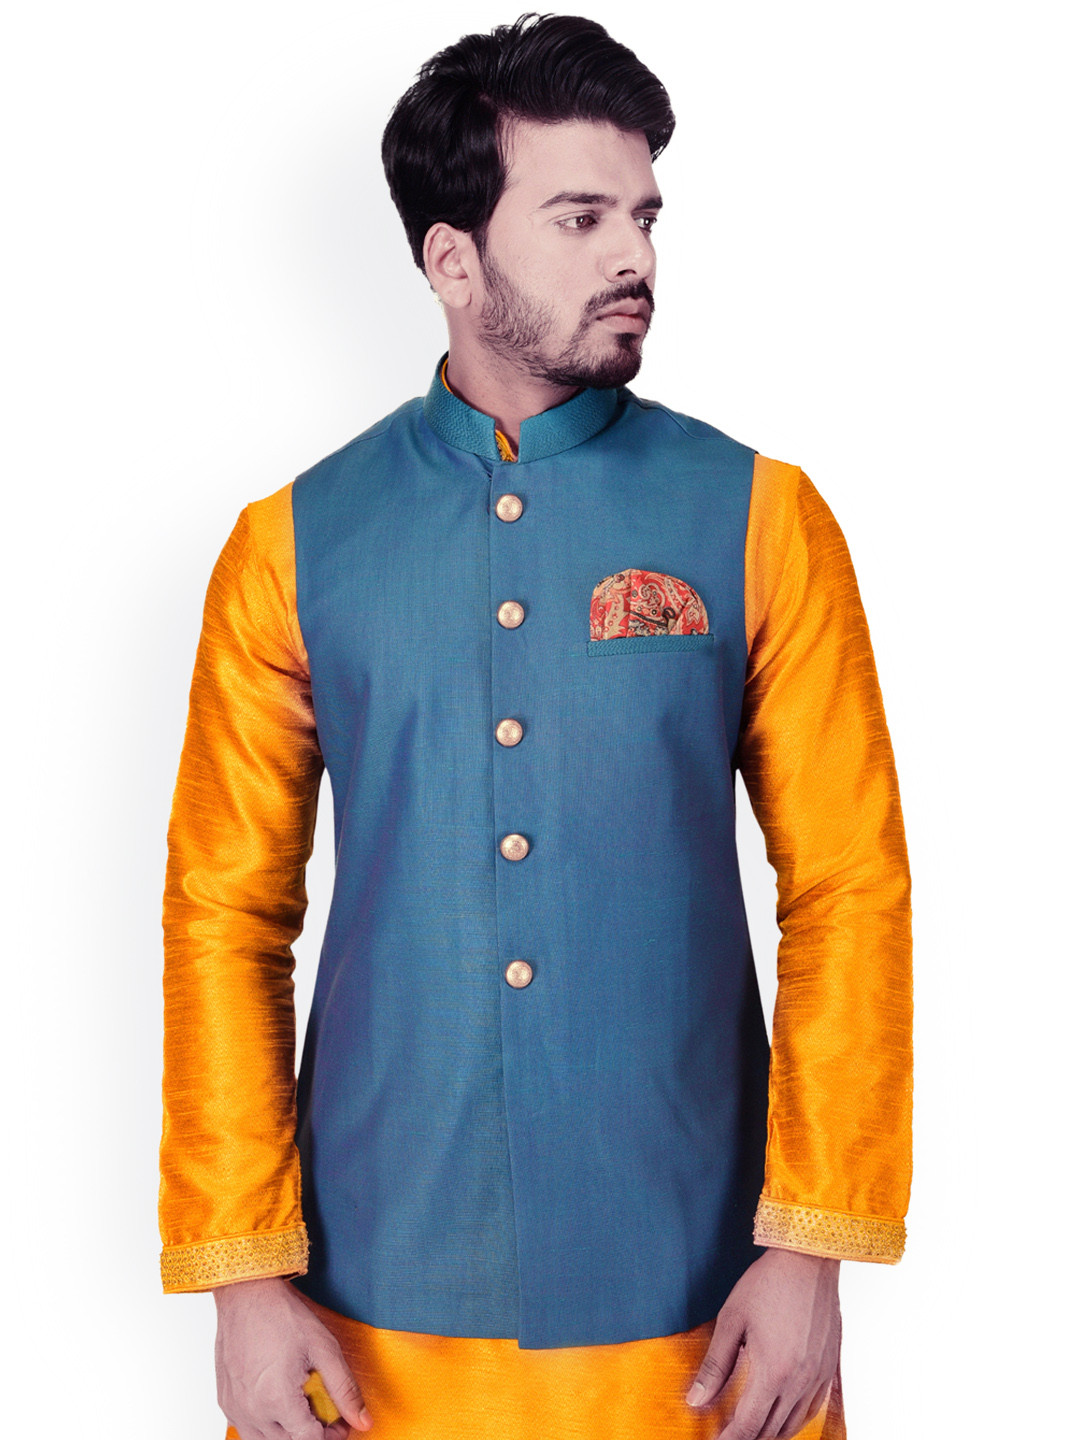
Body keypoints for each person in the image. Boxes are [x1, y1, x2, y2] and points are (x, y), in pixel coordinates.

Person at [159, 14, 912, 1439]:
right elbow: (224, 915)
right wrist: (241, 1277)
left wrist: (811, 1247)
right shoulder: (289, 547)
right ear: (452, 260)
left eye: (644, 216)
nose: (635, 257)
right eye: (581, 218)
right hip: (369, 1314)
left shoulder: (763, 518)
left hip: (703, 1308)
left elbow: (849, 886)